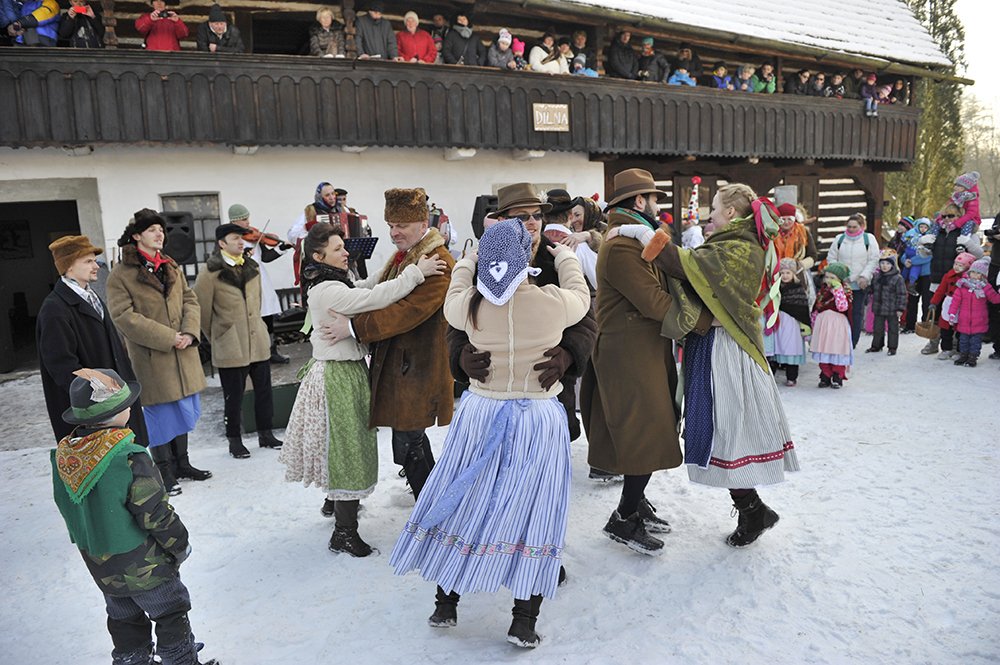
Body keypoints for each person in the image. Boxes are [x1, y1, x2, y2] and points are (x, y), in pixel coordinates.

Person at [390, 220, 590, 648]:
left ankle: (446, 602)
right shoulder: (553, 302)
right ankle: (523, 619)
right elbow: (582, 295)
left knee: (465, 499)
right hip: (537, 418)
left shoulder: (470, 307)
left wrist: (469, 258)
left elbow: (455, 293)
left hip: (481, 413)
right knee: (535, 509)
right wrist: (567, 255)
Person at [613, 183, 800, 546]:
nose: (709, 215)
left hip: (727, 348)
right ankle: (752, 509)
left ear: (730, 212)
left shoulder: (740, 246)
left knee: (729, 431)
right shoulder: (734, 242)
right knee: (725, 431)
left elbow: (688, 266)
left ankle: (752, 510)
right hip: (715, 345)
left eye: (713, 208)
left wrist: (645, 233)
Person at [280, 223, 446, 556]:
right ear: (318, 255)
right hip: (337, 377)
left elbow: (366, 285)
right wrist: (416, 272)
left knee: (342, 444)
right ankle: (344, 531)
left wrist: (393, 266)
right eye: (338, 248)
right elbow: (373, 297)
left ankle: (336, 504)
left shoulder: (331, 282)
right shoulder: (327, 289)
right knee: (347, 450)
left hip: (346, 372)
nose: (346, 252)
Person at [50, 368, 217, 665]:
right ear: (116, 414)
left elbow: (68, 507)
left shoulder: (66, 455)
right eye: (125, 404)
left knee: (124, 619)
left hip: (101, 561)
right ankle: (181, 659)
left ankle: (132, 660)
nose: (130, 407)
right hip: (144, 562)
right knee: (170, 611)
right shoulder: (128, 457)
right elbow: (155, 513)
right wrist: (179, 544)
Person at [321, 188, 455, 500]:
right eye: (391, 225)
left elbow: (404, 313)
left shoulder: (438, 262)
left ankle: (430, 504)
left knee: (409, 438)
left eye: (402, 226)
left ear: (423, 225)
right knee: (410, 435)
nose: (394, 233)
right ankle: (430, 496)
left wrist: (353, 327)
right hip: (401, 367)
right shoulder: (406, 257)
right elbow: (381, 293)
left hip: (418, 369)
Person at [449, 183, 597, 451]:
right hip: (492, 389)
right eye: (522, 216)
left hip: (546, 386)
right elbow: (459, 317)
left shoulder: (556, 259)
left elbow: (586, 319)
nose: (532, 222)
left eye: (537, 215)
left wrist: (568, 355)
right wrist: (460, 355)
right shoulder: (486, 260)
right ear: (503, 221)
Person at [581, 169, 683, 555]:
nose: (657, 205)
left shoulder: (633, 236)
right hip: (628, 355)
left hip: (640, 350)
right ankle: (623, 518)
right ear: (639, 202)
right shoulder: (623, 245)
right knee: (645, 432)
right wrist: (706, 319)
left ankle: (635, 502)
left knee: (647, 429)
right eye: (653, 198)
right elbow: (654, 301)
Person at [107, 209, 210, 495]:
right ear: (137, 235)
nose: (160, 234)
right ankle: (163, 470)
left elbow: (190, 299)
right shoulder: (122, 274)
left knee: (181, 407)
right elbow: (123, 316)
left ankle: (183, 463)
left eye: (161, 229)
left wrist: (189, 331)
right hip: (154, 356)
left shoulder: (170, 265)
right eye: (152, 230)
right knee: (159, 414)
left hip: (183, 349)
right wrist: (168, 337)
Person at [37, 235, 149, 446]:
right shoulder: (55, 309)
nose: (96, 265)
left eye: (94, 260)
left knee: (130, 460)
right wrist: (102, 400)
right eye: (88, 261)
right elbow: (64, 368)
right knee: (108, 471)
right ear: (68, 266)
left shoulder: (91, 296)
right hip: (97, 416)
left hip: (117, 405)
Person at [193, 223, 282, 459]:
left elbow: (259, 302)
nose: (241, 242)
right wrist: (219, 336)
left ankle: (266, 433)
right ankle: (234, 440)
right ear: (222, 243)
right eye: (235, 238)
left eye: (242, 239)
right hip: (229, 343)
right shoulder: (209, 272)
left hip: (258, 340)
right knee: (233, 396)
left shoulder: (252, 266)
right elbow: (202, 311)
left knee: (264, 392)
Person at [227, 203, 292, 364]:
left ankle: (272, 351)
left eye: (247, 218)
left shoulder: (254, 236)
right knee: (252, 320)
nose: (248, 223)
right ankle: (255, 354)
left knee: (268, 317)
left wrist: (281, 248)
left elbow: (266, 257)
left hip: (262, 280)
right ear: (234, 221)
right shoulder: (230, 238)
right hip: (245, 281)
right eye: (244, 220)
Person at [826, 212, 879, 348]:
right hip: (842, 283)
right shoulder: (840, 239)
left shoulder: (869, 239)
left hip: (859, 283)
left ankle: (852, 341)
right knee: (840, 311)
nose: (851, 229)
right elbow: (831, 258)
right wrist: (839, 275)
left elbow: (873, 259)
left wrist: (865, 276)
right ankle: (840, 338)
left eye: (854, 227)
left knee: (856, 313)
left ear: (861, 226)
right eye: (849, 226)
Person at [946, 258, 1000, 367]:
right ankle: (963, 356)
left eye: (978, 273)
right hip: (964, 320)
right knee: (963, 341)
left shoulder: (985, 287)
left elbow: (994, 299)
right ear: (969, 272)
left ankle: (972, 357)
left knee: (975, 342)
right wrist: (952, 314)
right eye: (973, 272)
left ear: (983, 276)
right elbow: (955, 301)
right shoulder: (962, 286)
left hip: (979, 320)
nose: (975, 275)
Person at [765, 258, 810, 386]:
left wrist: (804, 325)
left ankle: (792, 376)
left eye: (788, 273)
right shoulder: (775, 288)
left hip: (792, 323)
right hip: (778, 321)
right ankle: (771, 376)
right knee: (776, 347)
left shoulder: (797, 288)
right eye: (782, 273)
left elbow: (802, 308)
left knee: (791, 348)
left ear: (794, 274)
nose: (785, 276)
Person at [288, 181, 340, 286]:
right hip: (320, 261)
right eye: (327, 195)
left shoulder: (342, 209)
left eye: (333, 193)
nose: (331, 197)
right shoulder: (310, 211)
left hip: (339, 259)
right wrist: (308, 228)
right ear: (320, 197)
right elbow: (292, 235)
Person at [811, 262, 853, 387]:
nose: (828, 280)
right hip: (823, 324)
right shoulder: (823, 291)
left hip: (837, 324)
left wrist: (837, 291)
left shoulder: (845, 291)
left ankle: (837, 374)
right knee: (823, 348)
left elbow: (843, 307)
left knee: (837, 348)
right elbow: (816, 307)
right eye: (827, 277)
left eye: (832, 278)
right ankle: (825, 374)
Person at [928, 252, 977, 360]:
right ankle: (946, 349)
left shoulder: (969, 279)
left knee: (960, 330)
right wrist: (934, 302)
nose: (957, 267)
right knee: (945, 329)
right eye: (955, 264)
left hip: (962, 306)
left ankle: (960, 350)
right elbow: (940, 290)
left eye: (961, 265)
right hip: (949, 304)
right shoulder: (948, 276)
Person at [866, 249, 908, 355]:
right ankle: (876, 345)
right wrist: (867, 288)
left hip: (892, 309)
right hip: (879, 308)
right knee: (878, 328)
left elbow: (902, 294)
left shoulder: (897, 278)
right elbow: (872, 290)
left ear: (893, 265)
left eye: (888, 263)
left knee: (893, 329)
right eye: (882, 263)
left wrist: (900, 308)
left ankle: (892, 347)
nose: (885, 266)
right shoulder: (876, 277)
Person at [774, 202, 818, 270]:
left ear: (794, 219)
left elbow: (813, 255)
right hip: (775, 271)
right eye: (783, 219)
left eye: (789, 219)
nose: (786, 222)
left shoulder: (803, 232)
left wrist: (799, 265)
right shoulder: (772, 233)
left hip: (798, 271)